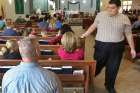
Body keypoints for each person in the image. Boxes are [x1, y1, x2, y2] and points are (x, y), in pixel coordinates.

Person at [81, 0, 136, 93]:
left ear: (118, 8)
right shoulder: (100, 15)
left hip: (117, 47)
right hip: (101, 46)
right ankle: (88, 80)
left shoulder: (124, 18)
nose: (109, 10)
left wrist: (132, 48)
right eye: (108, 7)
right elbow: (93, 26)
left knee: (113, 68)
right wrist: (85, 35)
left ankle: (109, 86)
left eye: (113, 8)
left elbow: (129, 34)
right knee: (96, 66)